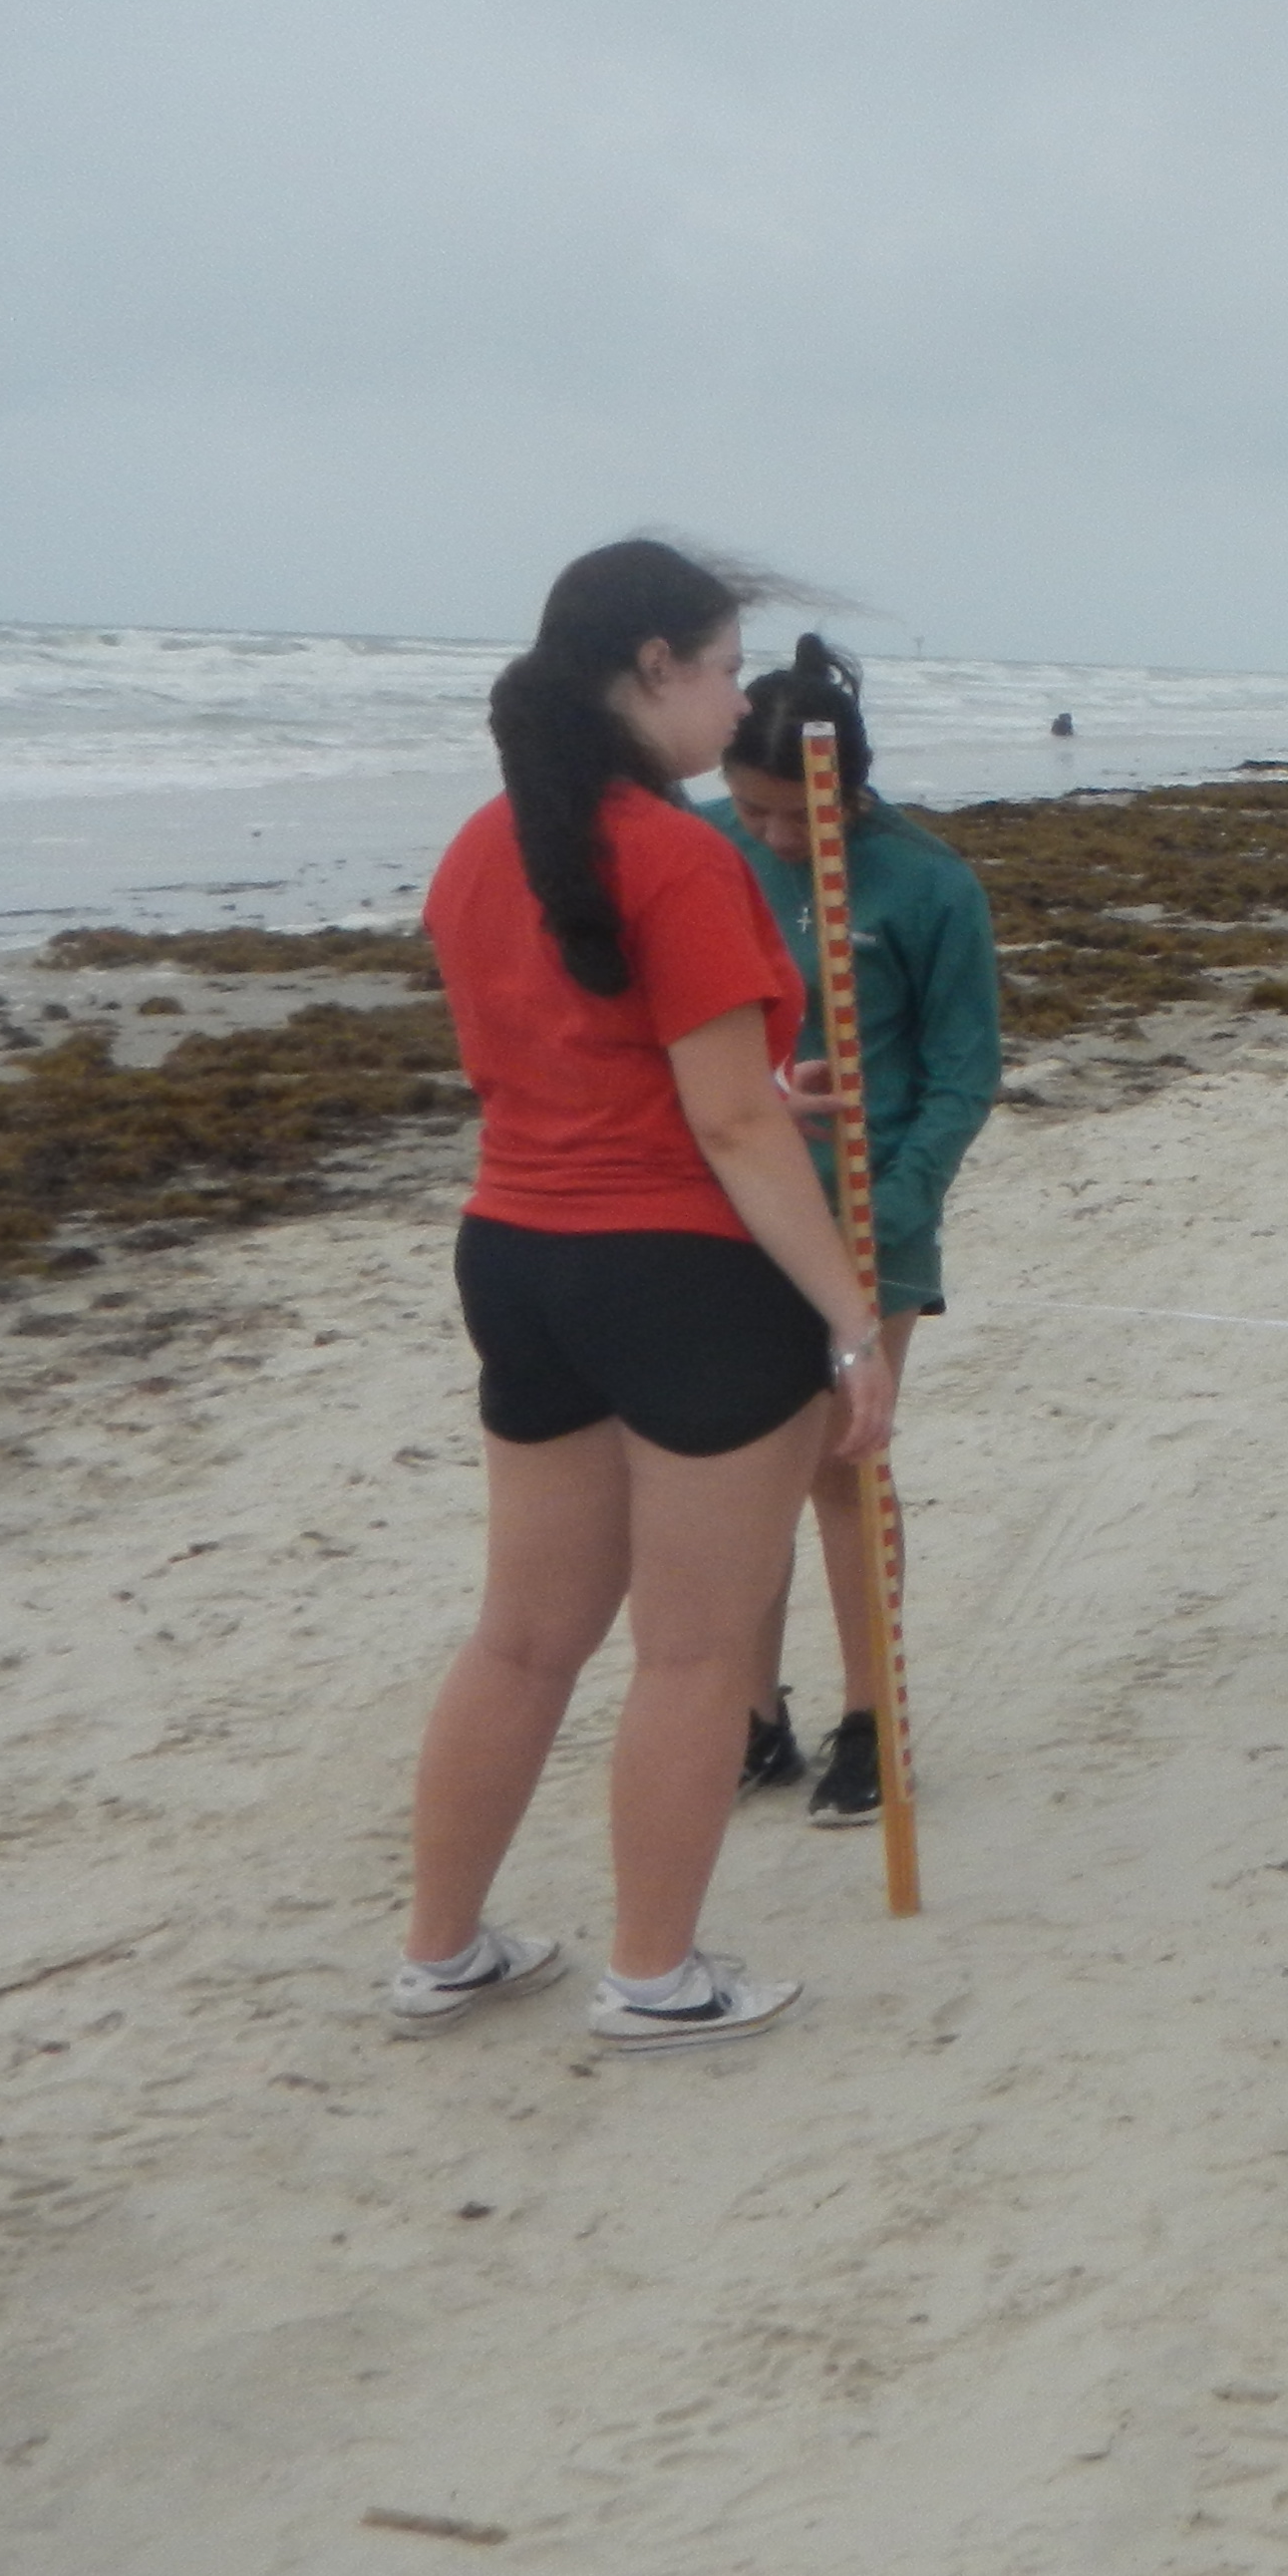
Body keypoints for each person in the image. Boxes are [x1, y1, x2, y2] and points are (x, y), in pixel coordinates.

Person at [390, 540, 897, 2052]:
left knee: (523, 1635)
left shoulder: (484, 847)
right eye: (728, 666)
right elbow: (729, 1129)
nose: (736, 694)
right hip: (680, 1278)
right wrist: (853, 1322)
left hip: (521, 1260)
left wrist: (746, 1096)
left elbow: (595, 1065)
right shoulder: (682, 859)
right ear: (656, 669)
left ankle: (441, 1950)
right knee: (692, 1647)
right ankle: (656, 1975)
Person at [701, 637, 1003, 1826]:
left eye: (797, 815)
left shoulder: (925, 885)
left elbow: (964, 1071)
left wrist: (896, 1200)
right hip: (724, 1207)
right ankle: (751, 1714)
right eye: (755, 811)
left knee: (841, 1465)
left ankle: (871, 1719)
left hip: (873, 1218)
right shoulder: (704, 851)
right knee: (741, 1476)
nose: (778, 837)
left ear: (848, 787)